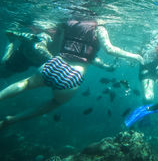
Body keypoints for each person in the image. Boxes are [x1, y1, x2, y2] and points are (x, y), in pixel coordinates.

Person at [0, 18, 143, 129]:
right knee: (54, 103)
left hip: (54, 63)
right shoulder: (99, 28)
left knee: (25, 83)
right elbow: (110, 49)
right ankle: (11, 120)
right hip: (73, 75)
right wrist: (135, 56)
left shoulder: (70, 22)